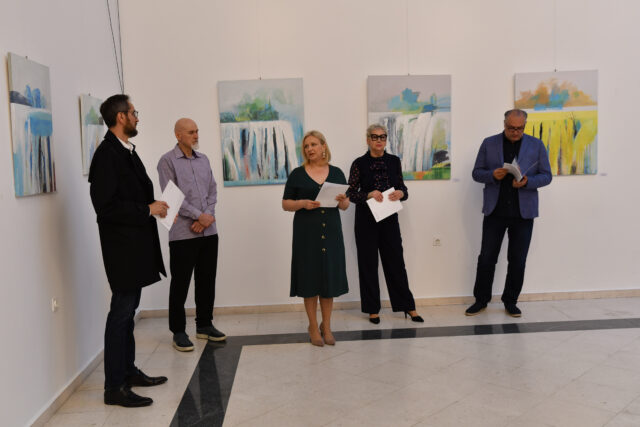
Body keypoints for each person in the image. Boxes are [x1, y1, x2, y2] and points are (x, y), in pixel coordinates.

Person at [89, 94, 168, 408]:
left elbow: (131, 195)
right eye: (134, 112)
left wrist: (152, 207)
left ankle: (128, 372)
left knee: (128, 311)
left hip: (134, 246)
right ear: (121, 117)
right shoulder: (106, 155)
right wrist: (147, 209)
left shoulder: (125, 150)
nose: (137, 117)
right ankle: (114, 387)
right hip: (121, 250)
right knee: (120, 314)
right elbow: (106, 208)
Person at [466, 109, 552, 317]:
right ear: (504, 124)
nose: (515, 132)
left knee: (518, 260)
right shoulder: (489, 143)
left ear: (525, 126)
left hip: (523, 213)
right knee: (487, 258)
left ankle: (511, 301)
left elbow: (547, 176)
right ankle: (481, 300)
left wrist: (528, 182)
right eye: (511, 128)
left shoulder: (536, 145)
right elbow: (476, 173)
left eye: (519, 128)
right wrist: (492, 175)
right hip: (495, 211)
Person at [157, 118, 226, 352]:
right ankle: (178, 331)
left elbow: (213, 191)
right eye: (190, 132)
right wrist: (199, 216)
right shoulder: (167, 161)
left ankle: (204, 325)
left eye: (197, 131)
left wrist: (207, 216)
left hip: (209, 231)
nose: (196, 135)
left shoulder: (203, 159)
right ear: (178, 135)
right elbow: (172, 197)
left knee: (207, 280)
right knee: (181, 283)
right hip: (182, 234)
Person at [346, 124, 424, 324]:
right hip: (366, 221)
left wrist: (401, 193)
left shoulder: (394, 161)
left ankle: (408, 306)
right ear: (368, 140)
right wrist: (369, 194)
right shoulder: (359, 163)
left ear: (386, 139)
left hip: (389, 219)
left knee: (396, 263)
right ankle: (372, 309)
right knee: (368, 264)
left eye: (382, 137)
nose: (379, 140)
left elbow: (403, 188)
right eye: (374, 137)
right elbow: (351, 194)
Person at [282, 130, 349, 346]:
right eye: (306, 146)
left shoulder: (337, 173)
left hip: (331, 233)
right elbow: (285, 204)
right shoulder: (297, 174)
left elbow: (345, 206)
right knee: (309, 280)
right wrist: (302, 203)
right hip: (306, 235)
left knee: (328, 281)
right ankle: (312, 326)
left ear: (323, 146)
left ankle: (326, 326)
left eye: (313, 144)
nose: (309, 149)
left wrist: (343, 200)